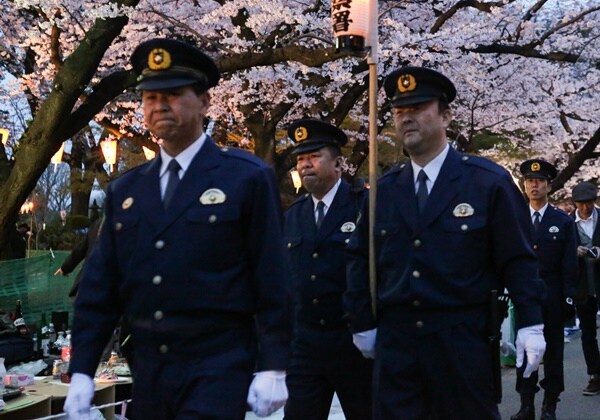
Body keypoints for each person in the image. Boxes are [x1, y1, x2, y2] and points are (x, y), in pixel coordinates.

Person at [64, 38, 291, 419]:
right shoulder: (128, 190)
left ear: (204, 102)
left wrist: (273, 364)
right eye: (150, 97)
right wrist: (83, 369)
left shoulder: (245, 178)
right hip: (149, 368)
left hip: (217, 365)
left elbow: (272, 277)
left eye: (172, 94)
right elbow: (101, 285)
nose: (159, 106)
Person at [345, 66, 547, 419]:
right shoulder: (384, 191)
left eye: (418, 108)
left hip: (460, 339)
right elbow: (360, 259)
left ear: (446, 115)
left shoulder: (485, 182)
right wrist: (361, 320)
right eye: (399, 111)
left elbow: (517, 257)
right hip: (398, 345)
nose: (406, 118)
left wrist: (531, 322)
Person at [283, 119, 372, 420]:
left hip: (354, 342)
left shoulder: (364, 207)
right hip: (306, 346)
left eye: (313, 156)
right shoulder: (294, 215)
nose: (305, 165)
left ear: (337, 163)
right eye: (300, 159)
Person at [510, 159, 578, 420]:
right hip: (525, 294)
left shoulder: (562, 221)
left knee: (553, 352)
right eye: (529, 181)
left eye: (539, 181)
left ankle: (550, 405)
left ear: (549, 186)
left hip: (553, 293)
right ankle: (526, 404)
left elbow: (569, 264)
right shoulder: (515, 220)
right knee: (526, 349)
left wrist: (569, 296)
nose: (534, 185)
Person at [571, 181, 600, 396]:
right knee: (587, 333)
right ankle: (595, 375)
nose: (585, 208)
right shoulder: (567, 223)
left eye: (588, 203)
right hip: (582, 285)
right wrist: (574, 251)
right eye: (581, 204)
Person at [54, 219, 102, 299]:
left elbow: (80, 250)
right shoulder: (119, 227)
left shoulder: (97, 225)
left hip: (85, 284)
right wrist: (65, 268)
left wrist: (65, 268)